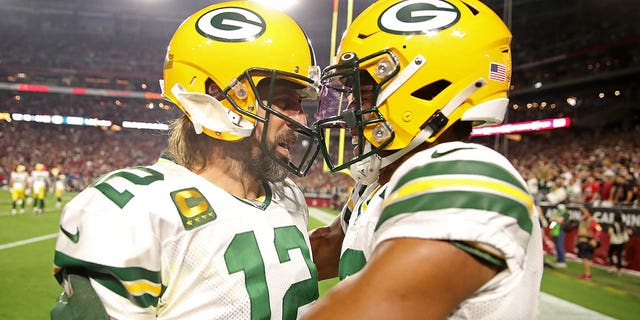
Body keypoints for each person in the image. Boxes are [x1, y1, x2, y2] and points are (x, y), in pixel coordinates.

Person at [50, 2, 321, 319]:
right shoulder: (134, 208)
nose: (300, 118)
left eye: (300, 103)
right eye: (284, 101)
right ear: (218, 95)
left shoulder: (288, 197)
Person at [307, 0, 543, 319]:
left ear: (427, 88)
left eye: (362, 90)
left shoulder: (466, 174)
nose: (349, 111)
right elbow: (324, 249)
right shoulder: (378, 184)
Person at [577, 206, 602, 280]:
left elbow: (599, 229)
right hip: (583, 240)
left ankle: (587, 274)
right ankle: (586, 273)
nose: (583, 212)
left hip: (587, 241)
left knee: (586, 258)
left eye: (585, 210)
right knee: (584, 258)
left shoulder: (591, 220)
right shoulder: (584, 220)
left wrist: (595, 239)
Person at [549, 203, 569, 268]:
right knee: (557, 246)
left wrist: (555, 219)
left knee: (560, 246)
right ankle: (559, 260)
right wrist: (555, 219)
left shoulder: (566, 213)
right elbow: (551, 219)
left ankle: (562, 261)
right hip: (555, 231)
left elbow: (559, 220)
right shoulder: (558, 212)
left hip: (560, 231)